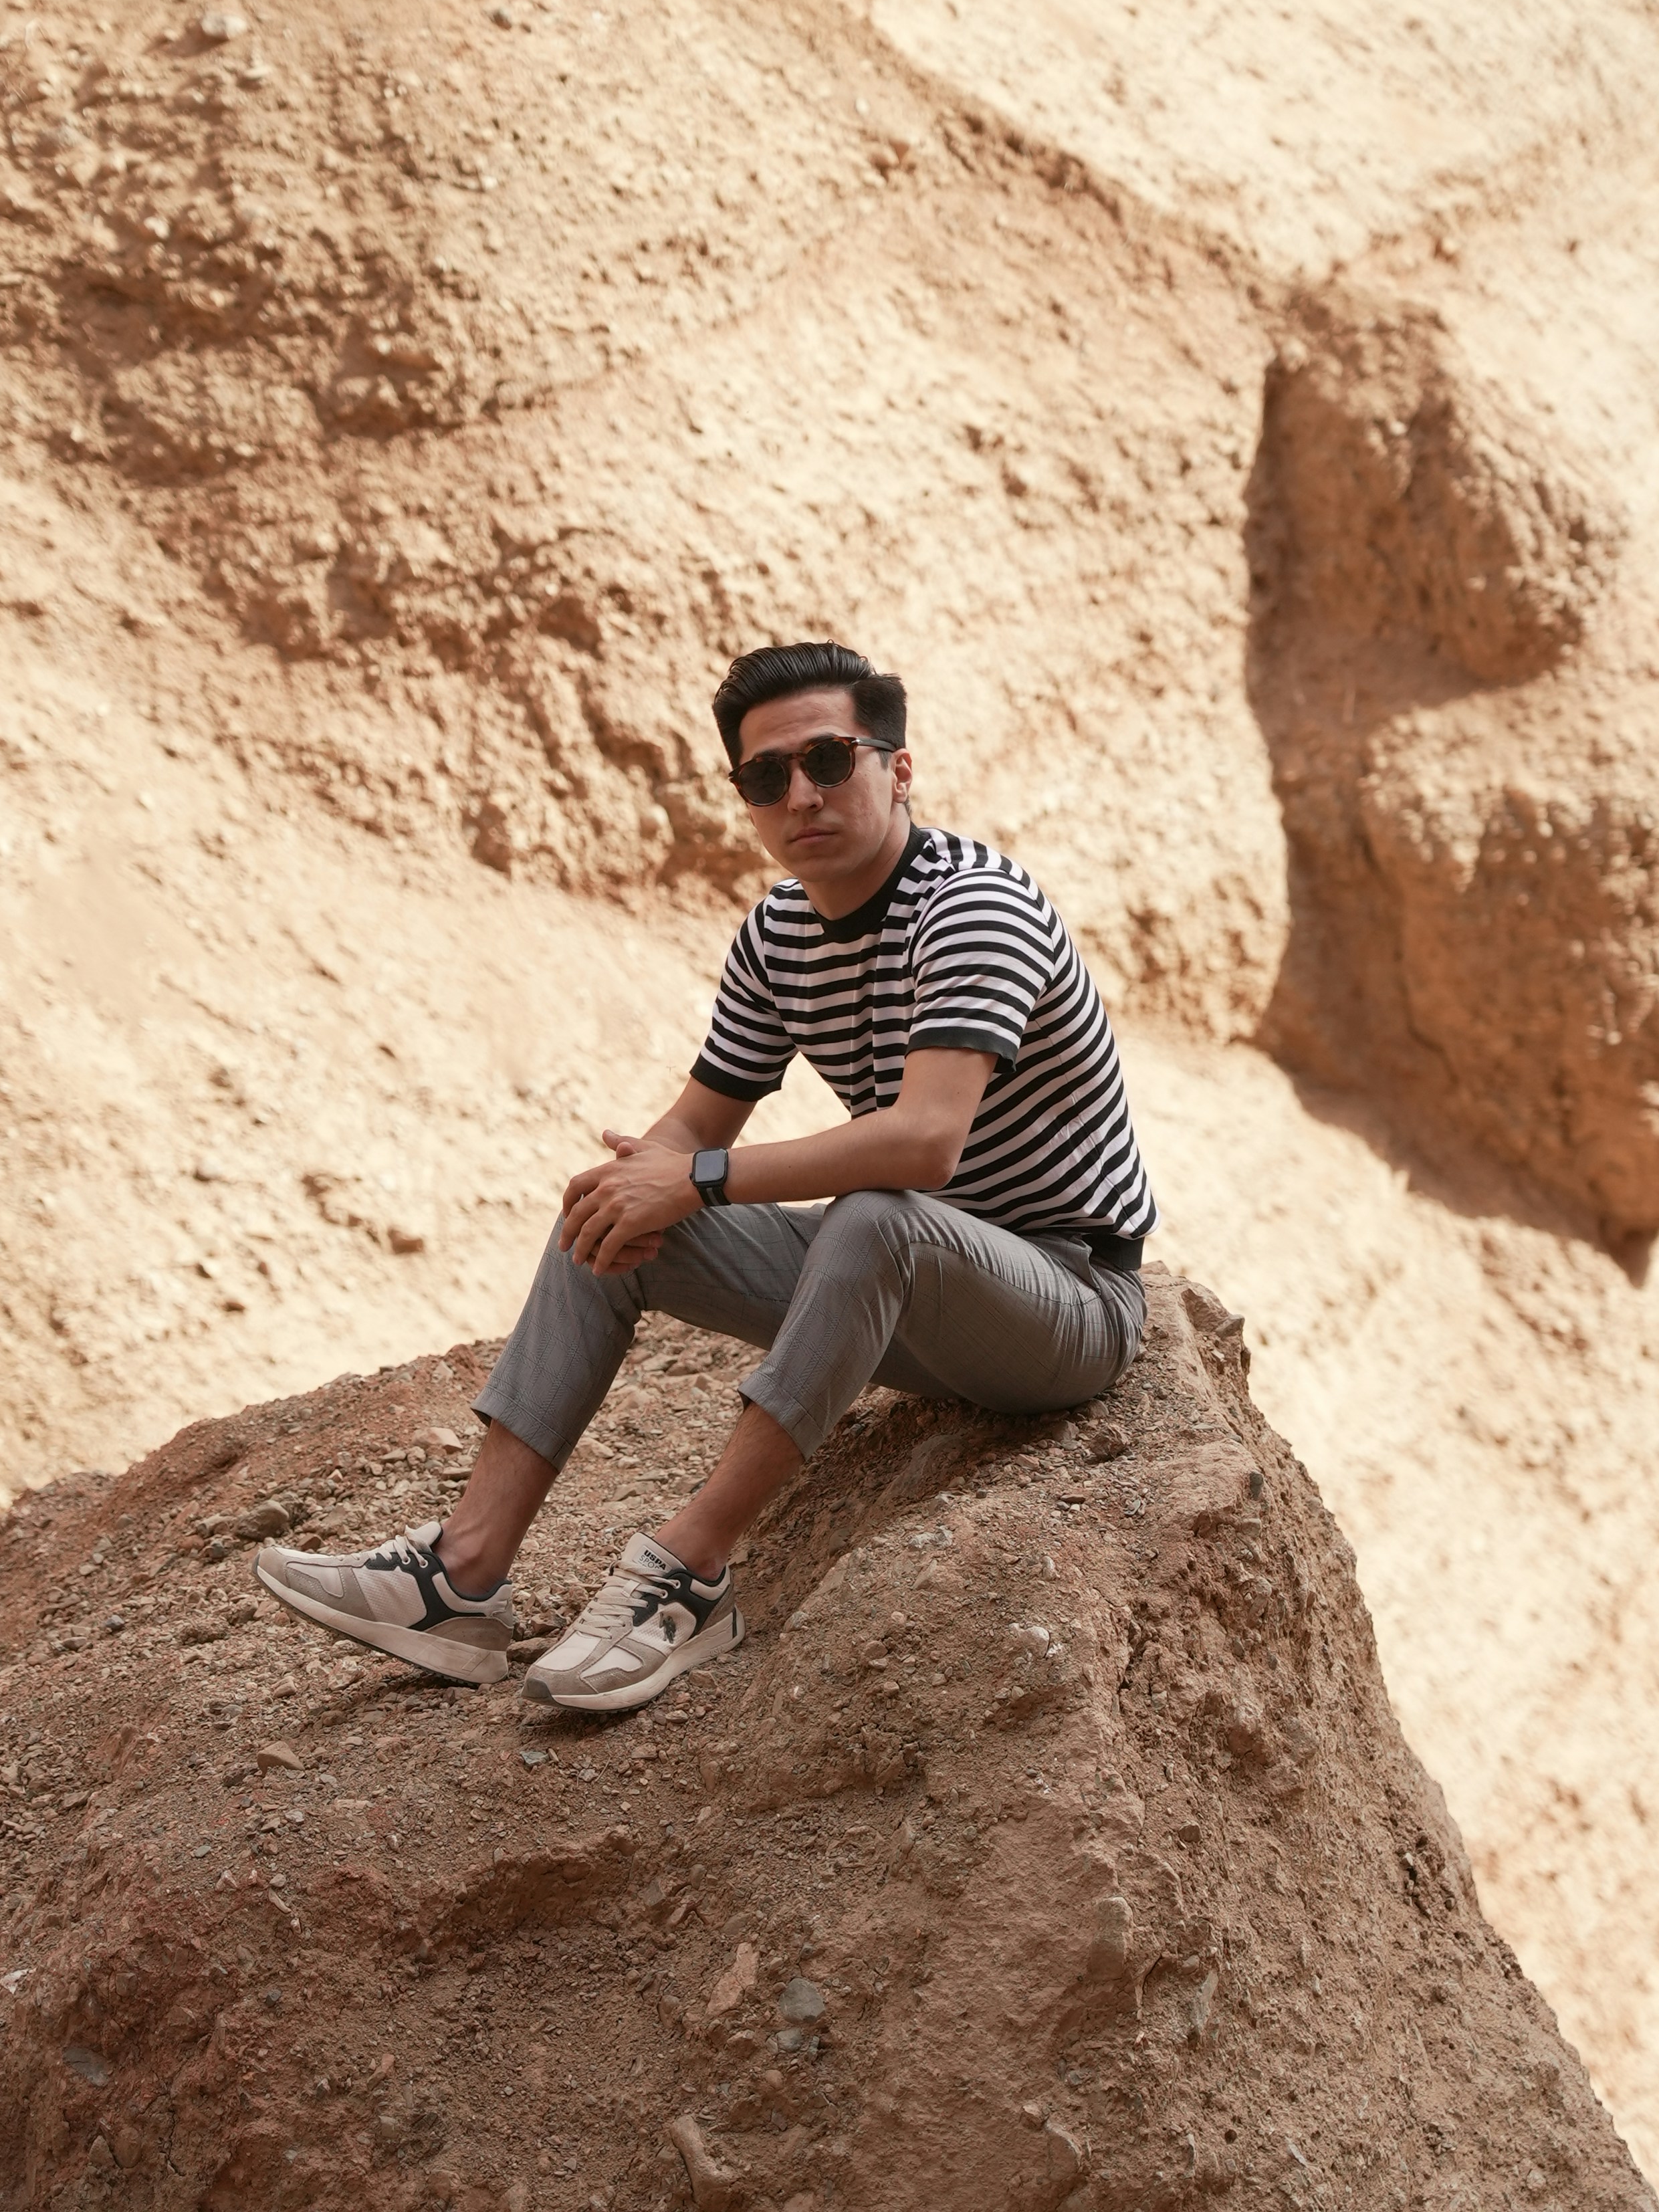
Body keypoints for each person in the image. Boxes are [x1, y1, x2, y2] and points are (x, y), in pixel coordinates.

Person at [255, 641, 1157, 1710]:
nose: (801, 795)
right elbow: (695, 1122)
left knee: (875, 1214)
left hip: (1066, 1302)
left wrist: (703, 1177)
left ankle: (690, 1575)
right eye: (765, 776)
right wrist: (648, 1183)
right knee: (619, 1203)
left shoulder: (973, 908)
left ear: (897, 768)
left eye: (830, 760)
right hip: (913, 1296)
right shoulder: (779, 934)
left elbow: (926, 1144)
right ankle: (463, 1577)